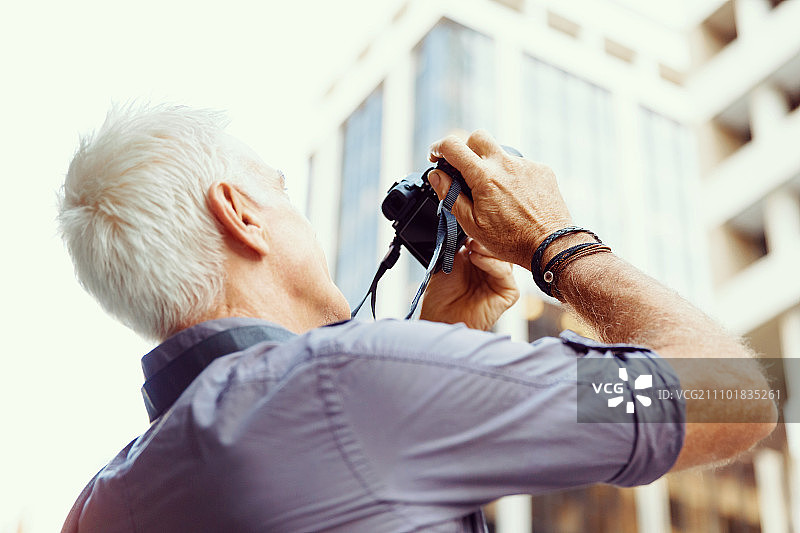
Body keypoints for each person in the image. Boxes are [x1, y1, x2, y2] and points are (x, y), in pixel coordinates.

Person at [58, 104, 776, 532]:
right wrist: (555, 244)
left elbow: (348, 481)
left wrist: (438, 348)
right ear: (240, 213)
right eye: (283, 195)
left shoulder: (97, 504)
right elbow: (732, 392)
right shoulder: (346, 384)